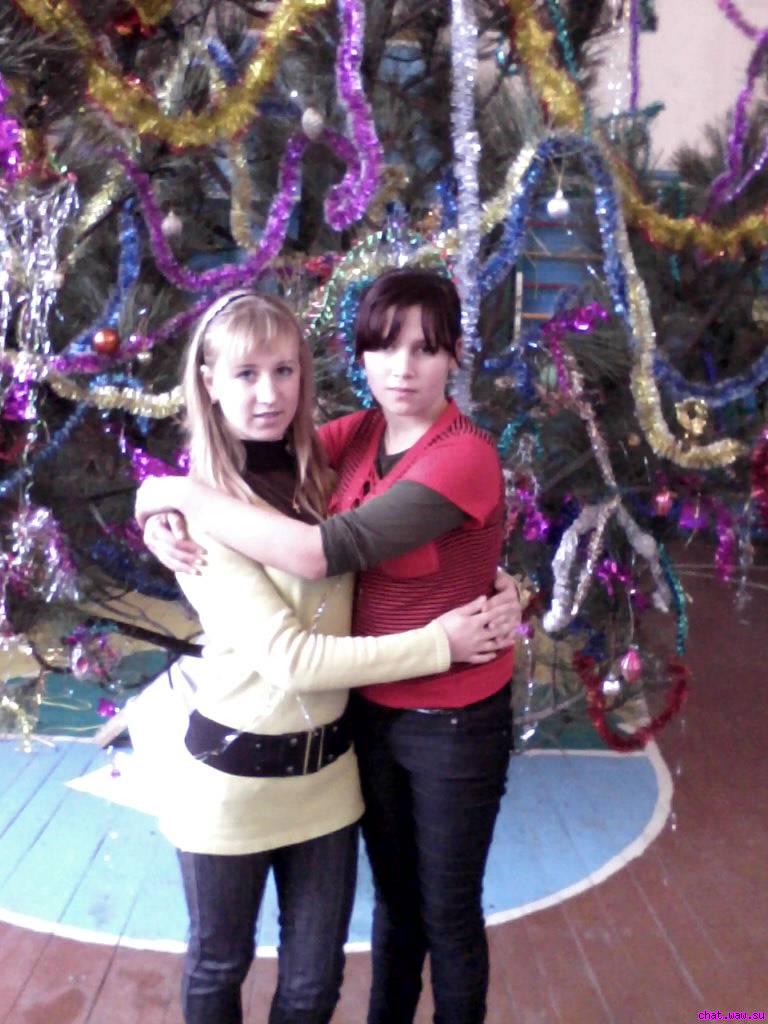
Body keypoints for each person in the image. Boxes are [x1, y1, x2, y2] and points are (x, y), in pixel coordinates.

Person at [137, 269, 521, 1024]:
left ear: (454, 355)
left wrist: (173, 494)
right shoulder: (357, 437)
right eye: (384, 348)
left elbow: (324, 551)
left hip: (447, 719)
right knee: (393, 908)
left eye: (426, 349)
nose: (403, 369)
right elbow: (263, 470)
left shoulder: (458, 454)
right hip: (360, 716)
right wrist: (160, 501)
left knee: (445, 914)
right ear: (361, 356)